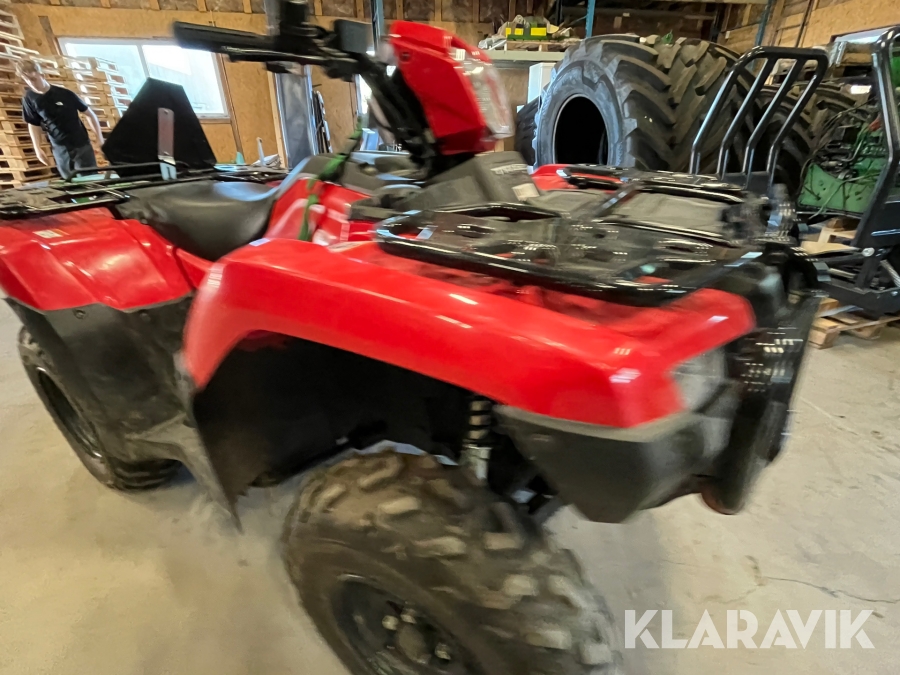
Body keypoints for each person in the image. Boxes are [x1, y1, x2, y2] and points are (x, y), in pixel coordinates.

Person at [16, 58, 104, 180]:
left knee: (89, 181)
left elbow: (90, 115)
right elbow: (33, 123)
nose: (31, 83)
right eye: (27, 80)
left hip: (80, 145)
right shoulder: (29, 99)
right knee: (69, 183)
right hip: (59, 148)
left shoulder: (65, 94)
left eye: (34, 79)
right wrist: (37, 148)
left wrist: (99, 138)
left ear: (42, 75)